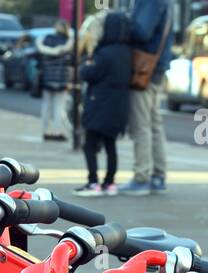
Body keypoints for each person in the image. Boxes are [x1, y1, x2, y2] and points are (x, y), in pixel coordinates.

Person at [121, 0, 173, 195]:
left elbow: (142, 32)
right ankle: (158, 176)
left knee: (141, 124)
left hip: (144, 68)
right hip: (156, 67)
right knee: (154, 123)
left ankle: (141, 177)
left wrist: (125, 21)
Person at [77, 9, 130, 197]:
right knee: (110, 145)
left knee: (89, 145)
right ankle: (110, 182)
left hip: (100, 104)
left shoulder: (104, 53)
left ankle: (93, 182)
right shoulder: (126, 52)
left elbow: (89, 74)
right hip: (119, 105)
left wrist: (85, 66)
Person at [35, 20, 71, 142]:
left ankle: (45, 131)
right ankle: (57, 132)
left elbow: (39, 58)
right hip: (61, 79)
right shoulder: (67, 42)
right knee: (59, 107)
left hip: (47, 78)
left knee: (46, 106)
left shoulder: (46, 40)